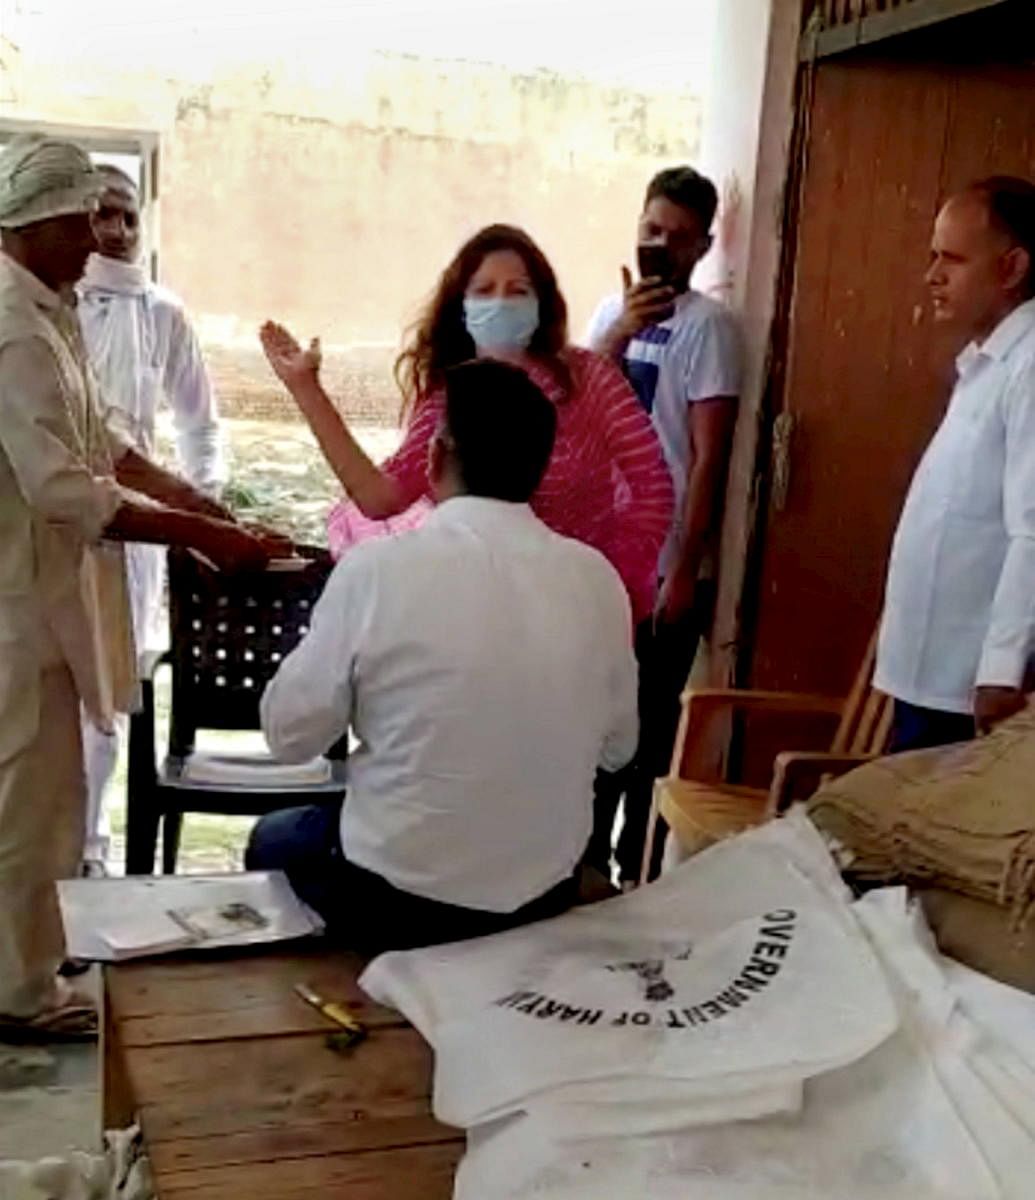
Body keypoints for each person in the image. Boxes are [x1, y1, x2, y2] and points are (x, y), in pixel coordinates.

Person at [0, 134, 281, 1038]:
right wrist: (199, 535)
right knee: (25, 800)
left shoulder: (55, 308)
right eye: (85, 216)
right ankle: (20, 996)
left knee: (49, 796)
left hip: (51, 594)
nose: (99, 235)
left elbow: (108, 445)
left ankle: (30, 969)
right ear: (38, 221)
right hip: (18, 598)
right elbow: (66, 490)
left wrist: (212, 514)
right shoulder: (11, 325)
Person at [247, 359, 638, 953]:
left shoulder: (377, 571)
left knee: (275, 839)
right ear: (537, 471)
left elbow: (289, 736)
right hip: (543, 896)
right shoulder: (598, 581)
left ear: (433, 459)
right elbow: (619, 749)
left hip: (397, 902)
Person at [260, 223, 673, 626]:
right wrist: (305, 389)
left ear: (541, 302)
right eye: (484, 291)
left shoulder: (589, 378)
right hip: (479, 615)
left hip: (578, 613)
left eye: (518, 291)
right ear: (462, 306)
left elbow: (652, 486)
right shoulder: (448, 399)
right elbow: (380, 498)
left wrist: (607, 584)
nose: (501, 303)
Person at [584, 166, 742, 884]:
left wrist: (684, 567)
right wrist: (621, 330)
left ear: (702, 246)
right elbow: (573, 414)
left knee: (649, 731)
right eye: (652, 231)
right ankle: (577, 862)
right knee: (590, 719)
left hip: (665, 566)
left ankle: (634, 867)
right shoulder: (605, 318)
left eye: (678, 238)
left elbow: (710, 457)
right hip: (600, 562)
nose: (662, 247)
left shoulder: (710, 330)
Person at [77, 163, 226, 871]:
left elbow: (200, 425)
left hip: (135, 536)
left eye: (129, 216)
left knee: (107, 696)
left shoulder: (161, 313)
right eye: (101, 214)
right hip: (47, 527)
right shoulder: (41, 309)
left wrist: (200, 514)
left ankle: (89, 853)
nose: (116, 229)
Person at [875, 177, 1035, 753]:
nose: (932, 276)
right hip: (931, 676)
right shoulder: (988, 364)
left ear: (1012, 267)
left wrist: (1001, 669)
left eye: (953, 259)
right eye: (933, 256)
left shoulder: (1030, 366)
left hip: (971, 688)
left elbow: (1032, 531)